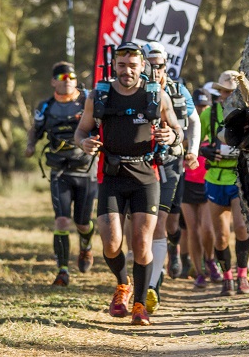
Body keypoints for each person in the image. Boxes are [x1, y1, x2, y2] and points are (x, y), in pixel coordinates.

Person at [74, 41, 182, 326]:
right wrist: (84, 142)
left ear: (142, 66)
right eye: (121, 66)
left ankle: (139, 305)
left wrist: (171, 137)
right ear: (115, 66)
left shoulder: (155, 95)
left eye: (133, 65)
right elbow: (81, 131)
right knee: (110, 243)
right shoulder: (99, 95)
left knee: (142, 242)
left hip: (146, 176)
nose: (127, 71)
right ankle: (122, 285)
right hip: (111, 174)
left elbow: (176, 128)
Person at [25, 61, 98, 287]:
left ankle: (85, 247)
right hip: (59, 171)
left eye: (71, 77)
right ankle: (63, 270)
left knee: (83, 224)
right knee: (62, 220)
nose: (67, 81)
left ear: (76, 81)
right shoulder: (46, 107)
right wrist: (30, 146)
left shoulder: (89, 100)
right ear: (53, 81)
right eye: (62, 77)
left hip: (86, 171)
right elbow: (35, 130)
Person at [141, 42, 199, 313]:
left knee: (172, 223)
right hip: (141, 164)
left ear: (167, 65)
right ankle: (153, 285)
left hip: (172, 163)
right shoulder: (135, 89)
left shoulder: (178, 90)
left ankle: (174, 249)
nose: (156, 70)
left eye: (160, 65)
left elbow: (194, 121)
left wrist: (193, 151)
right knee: (153, 223)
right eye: (150, 64)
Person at [199, 70, 249, 296]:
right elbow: (193, 142)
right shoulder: (209, 114)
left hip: (239, 178)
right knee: (220, 235)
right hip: (215, 179)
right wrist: (207, 151)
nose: (228, 95)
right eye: (224, 92)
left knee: (242, 227)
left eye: (233, 92)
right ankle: (227, 278)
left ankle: (242, 275)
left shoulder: (248, 114)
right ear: (219, 92)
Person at [181, 87, 216, 287]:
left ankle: (210, 259)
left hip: (207, 181)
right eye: (198, 105)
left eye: (205, 105)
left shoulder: (212, 125)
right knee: (192, 230)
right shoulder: (189, 125)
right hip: (187, 182)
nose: (202, 109)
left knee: (207, 230)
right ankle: (200, 272)